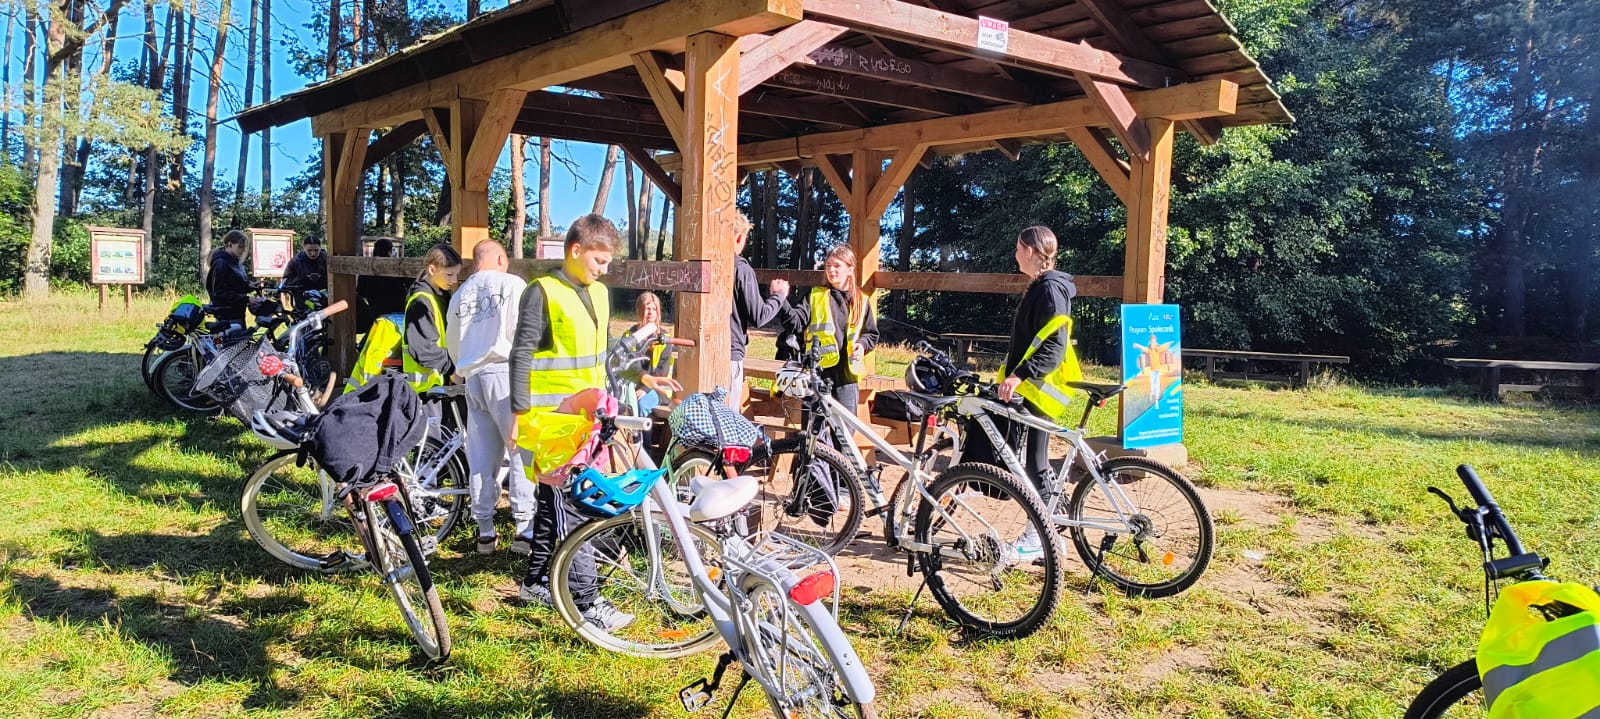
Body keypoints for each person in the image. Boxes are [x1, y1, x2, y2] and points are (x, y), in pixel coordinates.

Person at [507, 214, 681, 629]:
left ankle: (536, 582)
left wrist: (641, 377)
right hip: (552, 421)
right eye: (599, 261)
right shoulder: (542, 292)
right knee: (580, 506)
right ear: (575, 250)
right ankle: (584, 601)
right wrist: (516, 414)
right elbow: (521, 355)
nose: (604, 270)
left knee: (554, 503)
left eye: (607, 263)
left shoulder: (601, 295)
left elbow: (603, 358)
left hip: (590, 416)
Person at [995, 225, 1081, 559]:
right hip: (1034, 387)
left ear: (1030, 251)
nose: (1015, 254)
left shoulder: (1049, 291)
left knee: (1036, 465)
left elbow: (1053, 347)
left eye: (1018, 248)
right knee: (1034, 464)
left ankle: (1039, 536)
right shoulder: (1044, 287)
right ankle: (1050, 535)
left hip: (1040, 389)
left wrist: (1019, 376)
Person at [446, 239, 535, 556]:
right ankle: (525, 528)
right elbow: (524, 331)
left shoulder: (460, 294)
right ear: (500, 258)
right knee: (521, 450)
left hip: (474, 376)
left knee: (482, 456)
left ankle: (485, 529)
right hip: (506, 372)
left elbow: (452, 340)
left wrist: (461, 365)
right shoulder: (513, 285)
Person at [784, 245, 879, 410]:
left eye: (837, 266)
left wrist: (862, 345)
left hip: (847, 377)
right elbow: (795, 323)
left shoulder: (862, 301)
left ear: (850, 269)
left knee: (844, 431)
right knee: (813, 433)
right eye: (828, 266)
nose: (831, 270)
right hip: (817, 373)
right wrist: (781, 301)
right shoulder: (815, 296)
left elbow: (871, 334)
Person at [728, 214, 790, 409]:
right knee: (725, 418)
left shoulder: (705, 264)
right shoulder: (740, 269)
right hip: (730, 354)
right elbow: (759, 316)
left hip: (701, 352)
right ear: (739, 238)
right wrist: (779, 295)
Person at [403, 244, 462, 394]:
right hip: (424, 389)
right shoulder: (421, 302)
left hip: (439, 383)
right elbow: (423, 349)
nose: (455, 280)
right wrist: (453, 368)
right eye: (449, 275)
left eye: (457, 275)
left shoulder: (442, 296)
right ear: (431, 269)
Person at [624, 291, 674, 416]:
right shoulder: (629, 336)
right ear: (640, 311)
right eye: (647, 308)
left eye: (654, 309)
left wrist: (645, 389)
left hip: (657, 388)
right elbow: (626, 365)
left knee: (641, 405)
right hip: (632, 385)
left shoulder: (665, 338)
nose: (651, 312)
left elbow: (662, 371)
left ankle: (643, 436)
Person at [206, 229, 259, 325]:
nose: (243, 251)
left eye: (244, 248)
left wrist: (250, 286)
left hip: (237, 313)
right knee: (234, 338)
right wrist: (247, 299)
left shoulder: (235, 263)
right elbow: (219, 292)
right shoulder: (221, 263)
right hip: (227, 315)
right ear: (230, 244)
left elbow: (235, 285)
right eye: (240, 247)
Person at [356, 238, 409, 335]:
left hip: (375, 310)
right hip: (397, 311)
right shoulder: (396, 266)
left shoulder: (366, 268)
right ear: (390, 251)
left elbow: (360, 291)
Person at [281, 235, 328, 302]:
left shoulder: (326, 259)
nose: (313, 254)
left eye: (316, 250)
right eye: (309, 250)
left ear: (320, 247)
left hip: (324, 297)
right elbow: (286, 282)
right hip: (302, 297)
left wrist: (321, 277)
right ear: (304, 248)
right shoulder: (296, 261)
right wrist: (305, 279)